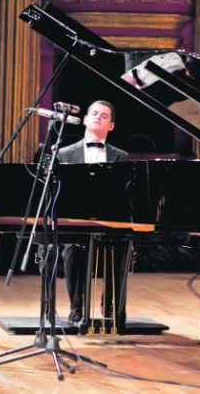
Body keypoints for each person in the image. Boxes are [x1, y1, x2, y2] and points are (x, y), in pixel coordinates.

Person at [56, 100, 130, 327]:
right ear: (85, 120)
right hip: (75, 221)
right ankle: (76, 308)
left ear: (111, 126)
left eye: (104, 116)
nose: (98, 117)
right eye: (95, 113)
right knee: (71, 248)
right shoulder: (64, 154)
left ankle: (112, 307)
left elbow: (124, 195)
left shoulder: (121, 156)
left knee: (122, 245)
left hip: (109, 221)